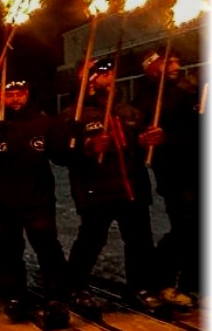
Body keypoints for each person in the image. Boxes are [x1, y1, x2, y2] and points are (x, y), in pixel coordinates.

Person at [54, 59, 162, 316]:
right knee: (91, 240)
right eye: (95, 73)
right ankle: (76, 287)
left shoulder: (129, 111)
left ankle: (140, 287)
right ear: (83, 79)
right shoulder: (73, 115)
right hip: (96, 190)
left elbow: (138, 146)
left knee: (139, 241)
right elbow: (60, 154)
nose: (104, 77)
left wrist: (149, 141)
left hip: (131, 187)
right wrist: (87, 148)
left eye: (108, 72)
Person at [0, 75, 70, 329]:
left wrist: (68, 134)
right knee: (9, 253)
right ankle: (14, 295)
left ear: (27, 94)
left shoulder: (43, 121)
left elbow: (61, 156)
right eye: (9, 94)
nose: (15, 99)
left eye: (20, 94)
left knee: (48, 249)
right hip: (1, 203)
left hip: (38, 200)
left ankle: (57, 297)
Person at [134, 50, 200, 310]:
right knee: (187, 225)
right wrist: (161, 138)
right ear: (152, 67)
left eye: (177, 60)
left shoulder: (187, 91)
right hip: (176, 173)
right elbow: (148, 130)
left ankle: (193, 281)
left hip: (198, 168)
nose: (176, 65)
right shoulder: (150, 97)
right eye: (168, 62)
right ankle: (161, 278)